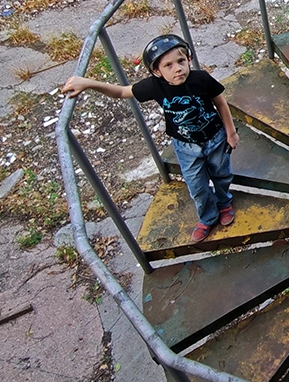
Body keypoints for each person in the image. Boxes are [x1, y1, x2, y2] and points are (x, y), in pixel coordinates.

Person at [62, 34, 239, 243]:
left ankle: (224, 203)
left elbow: (220, 103)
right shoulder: (155, 87)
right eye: (169, 65)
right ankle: (208, 217)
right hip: (186, 147)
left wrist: (231, 132)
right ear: (157, 71)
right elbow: (120, 92)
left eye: (181, 61)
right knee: (197, 186)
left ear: (189, 59)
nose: (178, 69)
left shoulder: (201, 79)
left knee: (221, 174)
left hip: (215, 139)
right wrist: (89, 83)